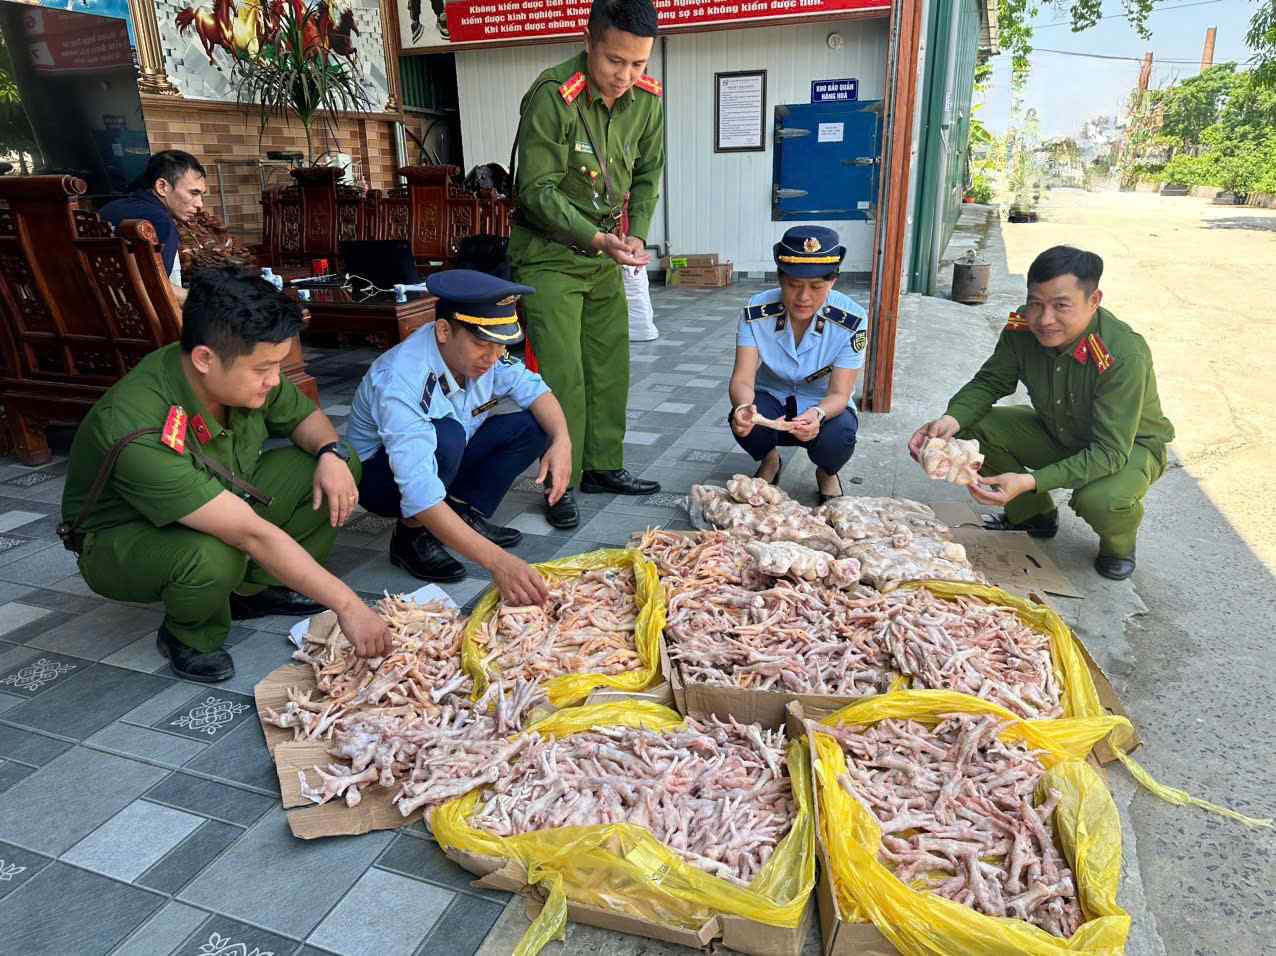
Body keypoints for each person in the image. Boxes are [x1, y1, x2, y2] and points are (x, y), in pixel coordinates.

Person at [59, 268, 391, 683]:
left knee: (336, 467)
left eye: (278, 365)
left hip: (217, 494)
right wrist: (349, 606)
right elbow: (248, 532)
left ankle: (251, 591)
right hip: (122, 537)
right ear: (204, 359)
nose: (274, 380)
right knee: (215, 553)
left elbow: (307, 419)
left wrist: (330, 452)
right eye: (263, 370)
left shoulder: (234, 368)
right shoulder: (134, 424)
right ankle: (189, 634)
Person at [908, 245, 1175, 581]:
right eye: (1036, 303)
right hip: (1059, 430)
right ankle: (1034, 516)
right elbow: (991, 381)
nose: (1045, 319)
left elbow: (1109, 452)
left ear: (1094, 300)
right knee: (975, 429)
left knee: (1101, 500)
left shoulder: (1122, 354)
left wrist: (1031, 481)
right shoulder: (1023, 327)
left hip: (1127, 447)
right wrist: (950, 420)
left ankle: (1118, 544)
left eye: (1061, 305)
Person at [509, 0, 665, 531]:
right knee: (564, 376)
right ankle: (562, 482)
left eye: (639, 64)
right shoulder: (554, 97)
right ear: (590, 42)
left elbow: (648, 174)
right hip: (549, 255)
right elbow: (535, 191)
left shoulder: (646, 101)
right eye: (615, 61)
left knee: (608, 365)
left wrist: (635, 232)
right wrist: (598, 237)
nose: (626, 76)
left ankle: (603, 465)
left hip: (603, 256)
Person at [345, 270, 572, 607]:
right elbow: (418, 490)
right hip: (379, 476)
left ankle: (461, 512)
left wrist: (562, 440)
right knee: (446, 435)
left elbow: (535, 389)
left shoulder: (487, 354)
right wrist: (497, 562)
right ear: (443, 330)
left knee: (534, 424)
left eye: (500, 345)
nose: (493, 357)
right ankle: (410, 538)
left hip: (443, 451)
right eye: (482, 343)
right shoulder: (401, 379)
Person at [728, 226, 868, 503]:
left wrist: (817, 414)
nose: (803, 297)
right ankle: (770, 460)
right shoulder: (756, 311)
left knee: (838, 436)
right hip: (772, 397)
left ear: (833, 282)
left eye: (816, 287)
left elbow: (840, 394)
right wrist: (744, 408)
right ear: (780, 279)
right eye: (793, 285)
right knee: (743, 418)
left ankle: (827, 473)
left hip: (821, 401)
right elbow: (742, 379)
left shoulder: (852, 319)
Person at [99, 150, 206, 306]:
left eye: (201, 195)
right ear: (162, 186)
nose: (200, 204)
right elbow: (155, 289)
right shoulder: (160, 223)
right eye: (193, 193)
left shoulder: (109, 209)